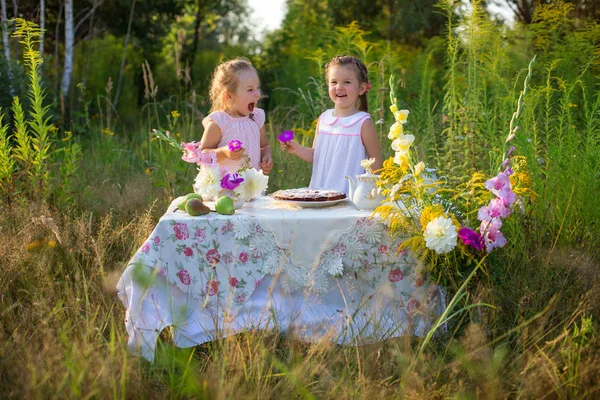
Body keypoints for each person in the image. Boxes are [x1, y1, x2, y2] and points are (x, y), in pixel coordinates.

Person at [281, 55, 383, 194]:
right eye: (334, 82)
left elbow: (376, 163)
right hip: (320, 194)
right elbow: (315, 155)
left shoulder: (363, 122)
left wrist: (372, 194)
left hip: (350, 196)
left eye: (347, 82)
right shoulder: (324, 119)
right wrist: (297, 148)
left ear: (361, 88)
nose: (339, 87)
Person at [200, 57, 274, 174]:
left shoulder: (256, 117)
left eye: (258, 88)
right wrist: (224, 152)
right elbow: (202, 155)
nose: (258, 94)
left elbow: (264, 145)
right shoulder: (219, 122)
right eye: (250, 90)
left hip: (251, 187)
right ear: (229, 96)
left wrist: (267, 155)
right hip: (224, 188)